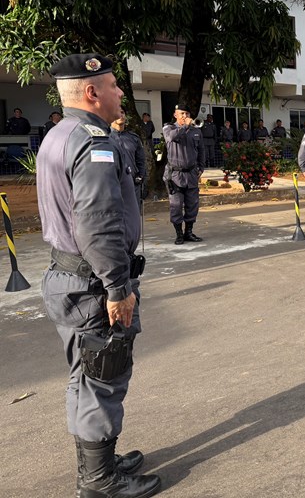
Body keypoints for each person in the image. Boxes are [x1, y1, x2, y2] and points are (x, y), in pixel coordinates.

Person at [37, 53, 161, 498]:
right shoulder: (94, 142)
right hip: (93, 284)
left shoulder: (58, 134)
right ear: (91, 92)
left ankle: (99, 461)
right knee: (103, 378)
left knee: (86, 376)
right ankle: (99, 480)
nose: (119, 94)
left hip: (67, 277)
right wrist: (118, 287)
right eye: (113, 86)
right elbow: (100, 223)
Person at [163, 105, 205, 244]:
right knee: (176, 205)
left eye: (187, 113)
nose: (185, 116)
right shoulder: (169, 128)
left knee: (192, 205)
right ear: (175, 114)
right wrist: (185, 127)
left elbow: (201, 150)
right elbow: (173, 137)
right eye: (182, 113)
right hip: (175, 175)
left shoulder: (195, 131)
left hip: (191, 174)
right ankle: (179, 234)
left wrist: (201, 168)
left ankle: (189, 232)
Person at [110, 110, 147, 208]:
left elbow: (141, 161)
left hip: (132, 182)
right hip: (112, 183)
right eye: (117, 112)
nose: (120, 115)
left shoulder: (133, 138)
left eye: (122, 112)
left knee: (133, 216)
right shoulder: (104, 137)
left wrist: (141, 177)